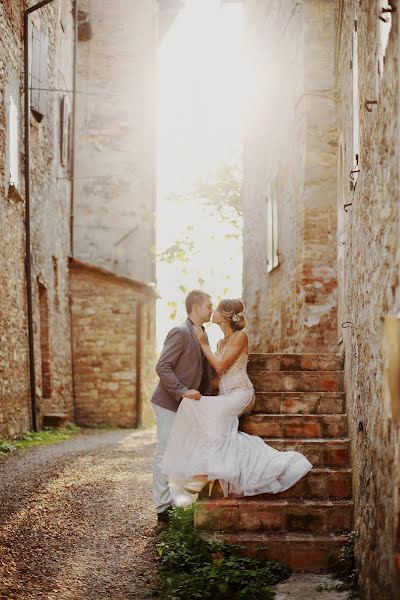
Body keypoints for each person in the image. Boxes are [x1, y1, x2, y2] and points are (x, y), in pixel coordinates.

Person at [162, 298, 313, 501]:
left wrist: (202, 344)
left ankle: (203, 475)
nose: (212, 312)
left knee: (213, 420)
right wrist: (192, 389)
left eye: (216, 310)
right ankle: (204, 471)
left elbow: (221, 366)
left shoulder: (240, 337)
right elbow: (217, 380)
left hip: (241, 393)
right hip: (225, 396)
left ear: (225, 317)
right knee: (192, 406)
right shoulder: (219, 342)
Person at [151, 290, 213, 523]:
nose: (211, 309)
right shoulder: (179, 331)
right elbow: (163, 366)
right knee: (164, 453)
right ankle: (162, 508)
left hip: (189, 407)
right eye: (208, 305)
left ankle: (181, 503)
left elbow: (204, 374)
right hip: (168, 403)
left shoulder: (201, 333)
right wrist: (181, 391)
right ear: (196, 307)